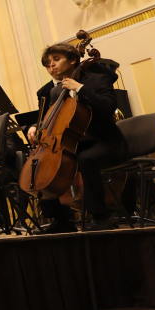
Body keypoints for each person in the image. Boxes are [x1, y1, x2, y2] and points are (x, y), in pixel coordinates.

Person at [30, 43, 127, 232]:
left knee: (86, 158)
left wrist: (81, 89)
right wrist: (35, 127)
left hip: (104, 142)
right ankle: (61, 220)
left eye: (56, 60)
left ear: (73, 60)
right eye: (48, 64)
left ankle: (100, 217)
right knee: (43, 162)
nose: (52, 67)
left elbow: (108, 107)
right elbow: (45, 118)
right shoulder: (49, 91)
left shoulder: (98, 80)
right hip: (73, 143)